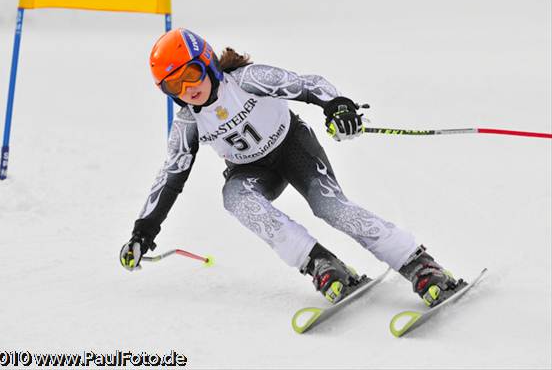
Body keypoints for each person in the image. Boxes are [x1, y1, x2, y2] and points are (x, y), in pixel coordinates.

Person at [120, 28, 465, 307]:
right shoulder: (188, 123)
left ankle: (419, 263)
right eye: (173, 85)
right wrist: (143, 232)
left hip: (293, 148)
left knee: (329, 207)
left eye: (191, 74)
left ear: (207, 63)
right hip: (251, 171)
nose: (187, 88)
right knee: (234, 197)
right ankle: (319, 262)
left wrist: (339, 107)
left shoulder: (247, 79)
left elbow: (308, 84)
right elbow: (170, 177)